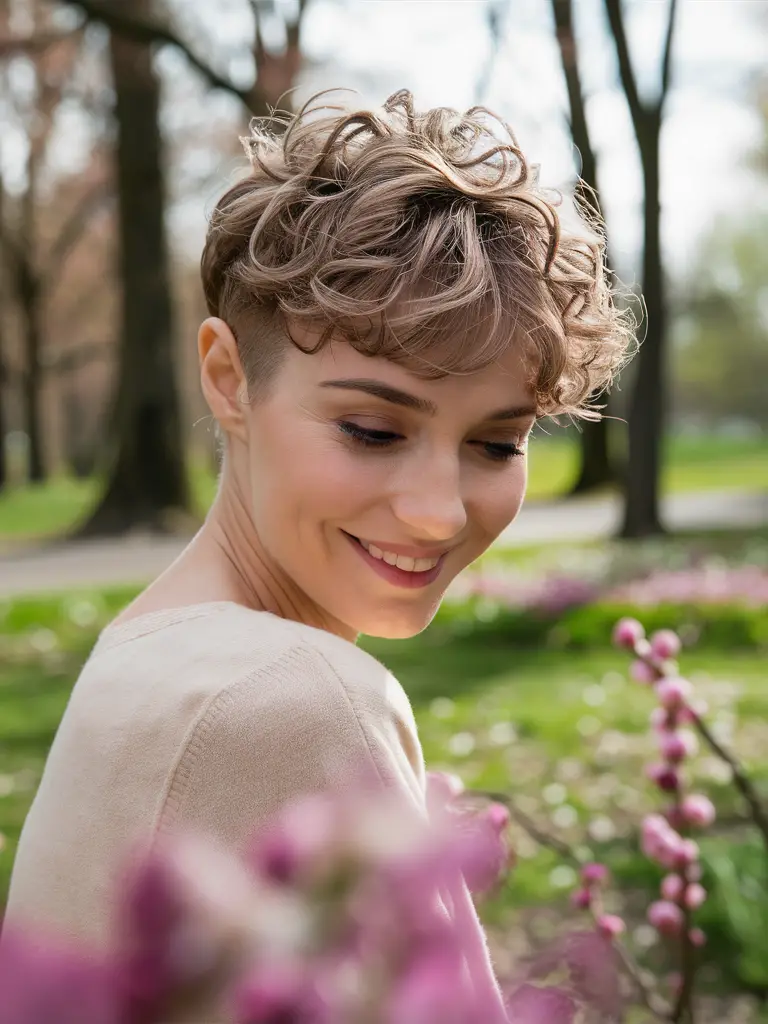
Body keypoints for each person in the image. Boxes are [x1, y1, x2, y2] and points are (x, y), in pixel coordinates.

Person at [3, 89, 633, 1014]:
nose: (436, 513)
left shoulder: (154, 653)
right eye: (373, 430)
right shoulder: (295, 696)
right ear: (227, 380)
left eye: (498, 443)